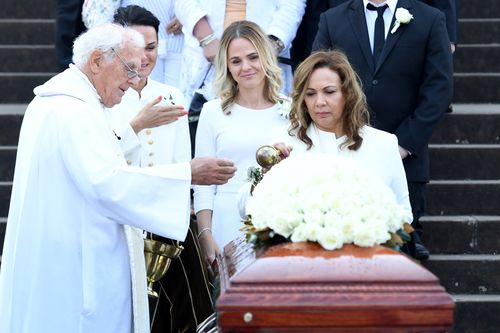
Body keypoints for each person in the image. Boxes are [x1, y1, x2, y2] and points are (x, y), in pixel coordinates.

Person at [0, 23, 235, 333]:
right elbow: (106, 182)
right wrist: (187, 173)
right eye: (129, 69)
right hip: (75, 267)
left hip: (62, 255)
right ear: (97, 61)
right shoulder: (73, 111)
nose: (134, 80)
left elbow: (96, 160)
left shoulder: (61, 102)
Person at [312, 0, 454, 260]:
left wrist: (402, 145)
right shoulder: (332, 20)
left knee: (401, 255)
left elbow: (439, 88)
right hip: (343, 156)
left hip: (405, 158)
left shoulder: (430, 19)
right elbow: (316, 79)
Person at [109, 6, 213, 332]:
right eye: (136, 48)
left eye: (151, 48)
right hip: (122, 225)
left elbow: (182, 162)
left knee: (186, 313)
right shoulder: (106, 99)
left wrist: (180, 222)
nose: (144, 58)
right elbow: (104, 162)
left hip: (169, 223)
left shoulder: (172, 95)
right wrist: (137, 125)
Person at [238, 50, 413, 228]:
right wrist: (266, 176)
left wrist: (363, 227)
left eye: (329, 92)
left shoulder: (384, 143)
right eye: (311, 94)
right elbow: (245, 210)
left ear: (348, 93)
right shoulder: (282, 141)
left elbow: (404, 215)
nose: (319, 102)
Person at [194, 20, 289, 266]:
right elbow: (203, 185)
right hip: (226, 222)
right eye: (236, 61)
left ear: (266, 57)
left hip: (279, 222)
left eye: (253, 57)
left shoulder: (290, 110)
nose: (246, 67)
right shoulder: (212, 112)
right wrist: (206, 235)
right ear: (227, 66)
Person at [174, 0, 306, 105]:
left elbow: (292, 3)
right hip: (207, 55)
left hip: (263, 53)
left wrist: (273, 42)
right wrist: (206, 38)